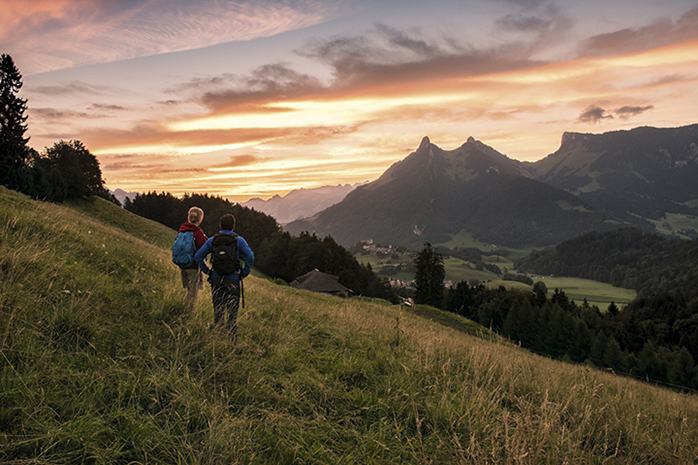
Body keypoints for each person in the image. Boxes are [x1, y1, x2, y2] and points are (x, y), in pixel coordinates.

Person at [194, 213, 254, 338]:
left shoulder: (212, 240)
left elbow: (198, 257)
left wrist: (208, 271)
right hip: (233, 279)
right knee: (232, 312)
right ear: (233, 226)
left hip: (216, 278)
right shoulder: (239, 240)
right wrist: (244, 273)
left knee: (218, 309)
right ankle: (231, 339)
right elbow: (250, 256)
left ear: (220, 226)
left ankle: (218, 336)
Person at [178, 206, 208, 310]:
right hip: (193, 265)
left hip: (183, 264)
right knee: (194, 292)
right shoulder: (198, 232)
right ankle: (190, 312)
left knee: (190, 289)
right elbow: (204, 248)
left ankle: (182, 307)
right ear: (200, 219)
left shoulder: (182, 230)